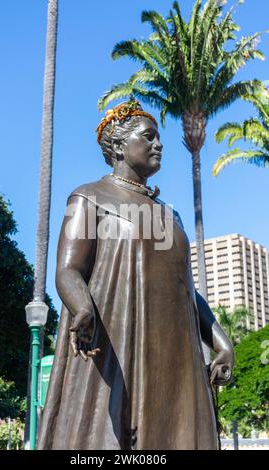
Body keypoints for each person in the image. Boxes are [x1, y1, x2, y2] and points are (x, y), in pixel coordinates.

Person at [38, 101, 234, 450]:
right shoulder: (89, 197)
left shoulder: (169, 217)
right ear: (118, 147)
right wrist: (81, 307)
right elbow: (69, 269)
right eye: (148, 137)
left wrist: (219, 338)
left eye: (159, 138)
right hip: (117, 343)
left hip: (177, 357)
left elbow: (186, 290)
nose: (159, 144)